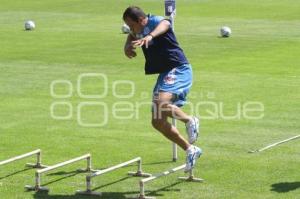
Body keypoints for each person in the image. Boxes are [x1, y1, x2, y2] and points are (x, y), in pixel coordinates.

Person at [122, 6, 202, 172]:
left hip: (178, 68)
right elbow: (132, 35)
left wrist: (150, 36)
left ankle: (190, 120)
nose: (130, 29)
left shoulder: (155, 21)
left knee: (160, 103)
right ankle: (190, 149)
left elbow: (166, 24)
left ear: (140, 20)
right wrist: (127, 46)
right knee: (157, 120)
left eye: (131, 25)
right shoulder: (138, 29)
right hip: (166, 73)